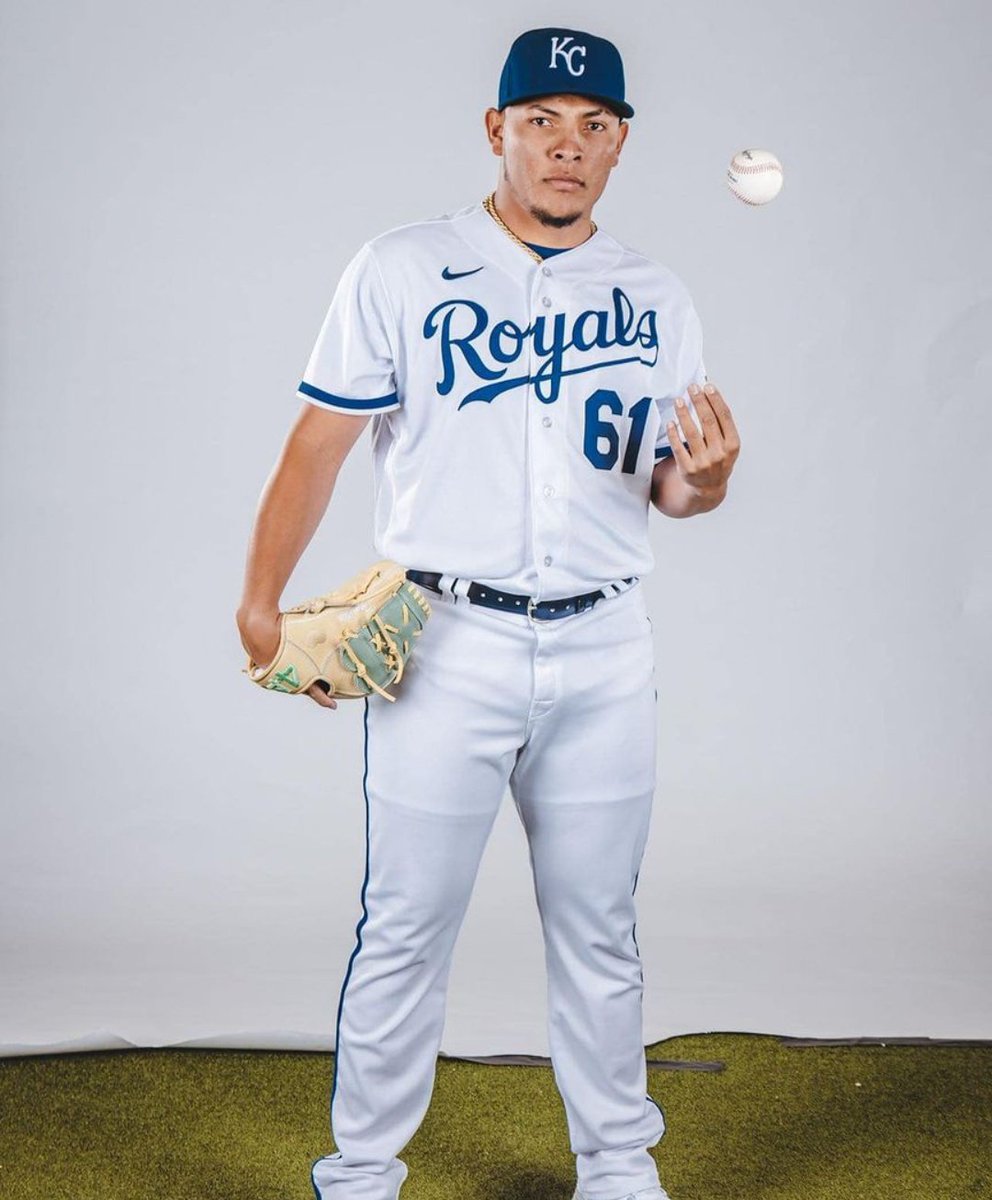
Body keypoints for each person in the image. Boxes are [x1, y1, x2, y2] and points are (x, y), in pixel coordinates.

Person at [236, 25, 739, 1200]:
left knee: (599, 927)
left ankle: (618, 1168)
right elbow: (316, 448)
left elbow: (665, 483)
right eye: (542, 122)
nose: (567, 147)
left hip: (606, 641)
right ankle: (361, 1172)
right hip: (440, 646)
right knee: (407, 919)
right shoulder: (402, 267)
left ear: (620, 142)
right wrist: (259, 601)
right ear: (496, 131)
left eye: (593, 125)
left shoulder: (654, 294)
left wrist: (706, 480)